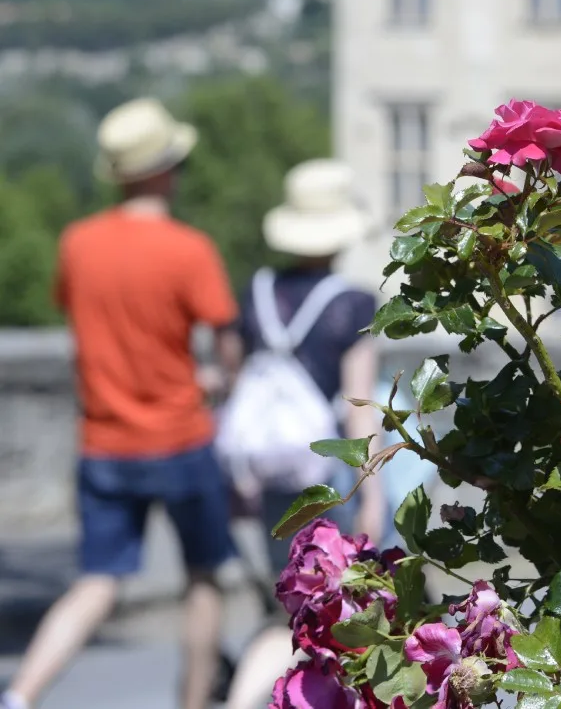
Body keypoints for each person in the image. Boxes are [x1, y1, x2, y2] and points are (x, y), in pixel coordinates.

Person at [2, 98, 240, 709]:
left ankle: (21, 695)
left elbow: (78, 315)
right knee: (204, 579)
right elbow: (227, 343)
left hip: (104, 442)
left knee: (98, 583)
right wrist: (218, 380)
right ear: (165, 170)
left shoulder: (78, 243)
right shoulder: (189, 249)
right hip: (181, 436)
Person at [219, 159, 383, 709]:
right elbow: (359, 408)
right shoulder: (352, 304)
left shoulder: (258, 291)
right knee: (333, 607)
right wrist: (372, 496)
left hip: (268, 469)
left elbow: (240, 391)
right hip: (326, 474)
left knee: (282, 604)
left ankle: (246, 696)